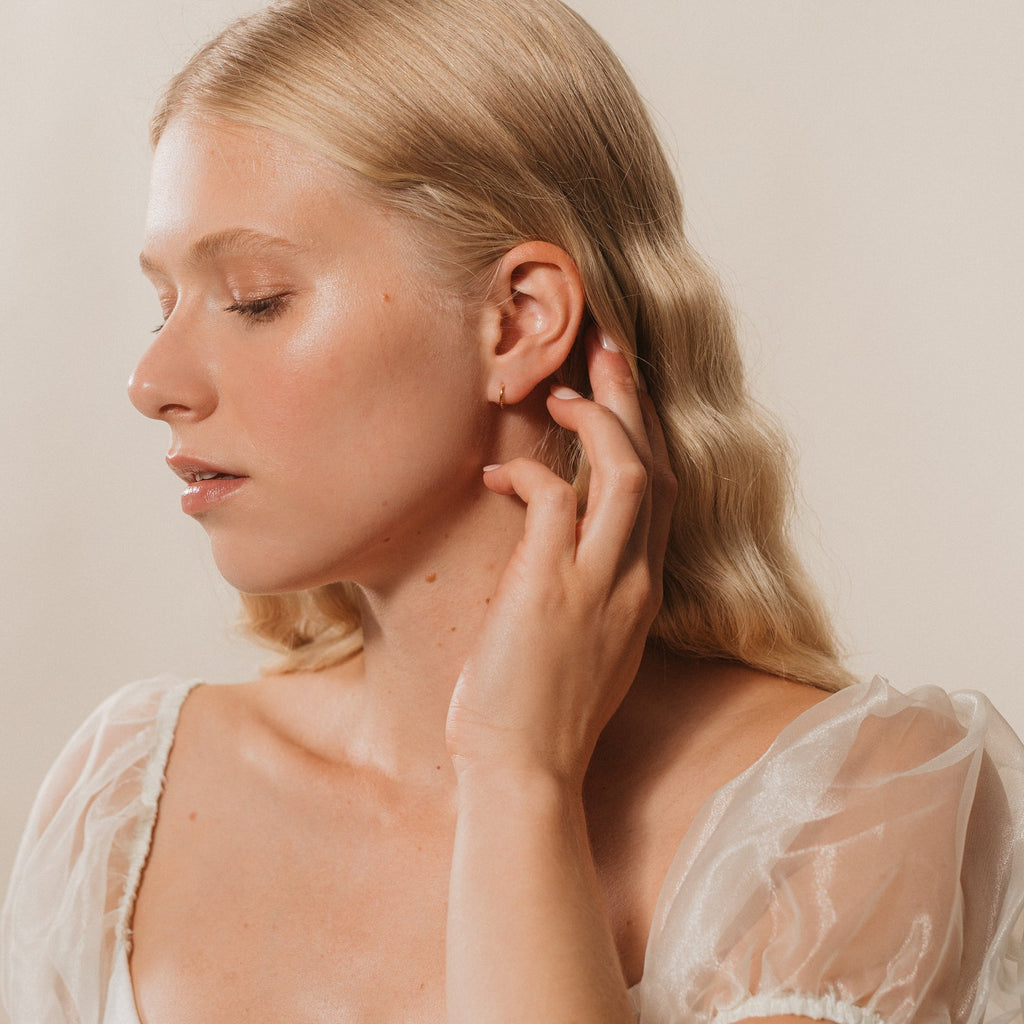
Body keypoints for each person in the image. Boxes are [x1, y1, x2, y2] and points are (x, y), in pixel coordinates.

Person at [2, 0, 1023, 1022]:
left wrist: (518, 772)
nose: (152, 382)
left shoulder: (851, 797)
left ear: (520, 319)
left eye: (255, 298)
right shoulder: (128, 796)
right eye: (164, 305)